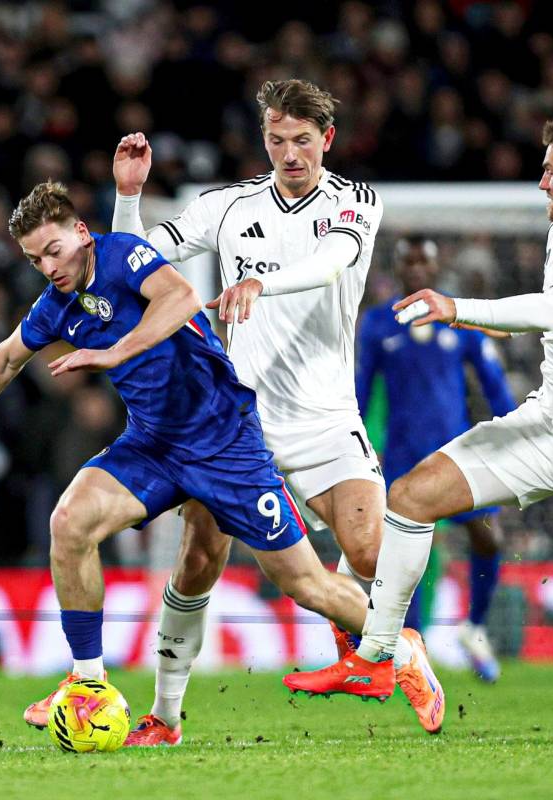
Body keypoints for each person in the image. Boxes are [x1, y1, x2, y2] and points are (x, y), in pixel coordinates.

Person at [0, 181, 394, 741]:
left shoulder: (122, 254)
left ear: (81, 233)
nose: (49, 268)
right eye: (35, 260)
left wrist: (115, 351)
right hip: (154, 445)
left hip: (224, 442)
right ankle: (89, 681)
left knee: (303, 583)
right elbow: (8, 356)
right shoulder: (57, 303)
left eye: (54, 251)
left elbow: (180, 298)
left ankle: (401, 649)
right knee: (70, 521)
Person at [283, 112, 553, 741]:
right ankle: (376, 656)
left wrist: (457, 308)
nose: (541, 183)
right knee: (411, 496)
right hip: (548, 422)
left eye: (550, 171)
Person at [112, 78, 444, 744]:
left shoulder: (355, 201)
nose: (289, 153)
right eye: (276, 139)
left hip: (326, 420)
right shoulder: (226, 206)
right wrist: (128, 197)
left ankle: (387, 651)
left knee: (369, 551)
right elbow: (131, 262)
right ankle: (166, 716)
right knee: (198, 561)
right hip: (239, 426)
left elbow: (331, 264)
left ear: (327, 139)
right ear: (263, 139)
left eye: (302, 140)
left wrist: (260, 282)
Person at [356, 235, 515, 681]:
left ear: (435, 266)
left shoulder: (456, 317)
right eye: (408, 262)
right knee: (410, 558)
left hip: (455, 456)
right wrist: (357, 444)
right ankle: (413, 649)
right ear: (398, 267)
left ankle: (475, 629)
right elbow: (362, 391)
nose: (416, 269)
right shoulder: (378, 324)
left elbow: (492, 379)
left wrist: (515, 427)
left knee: (489, 539)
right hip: (404, 459)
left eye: (423, 261)